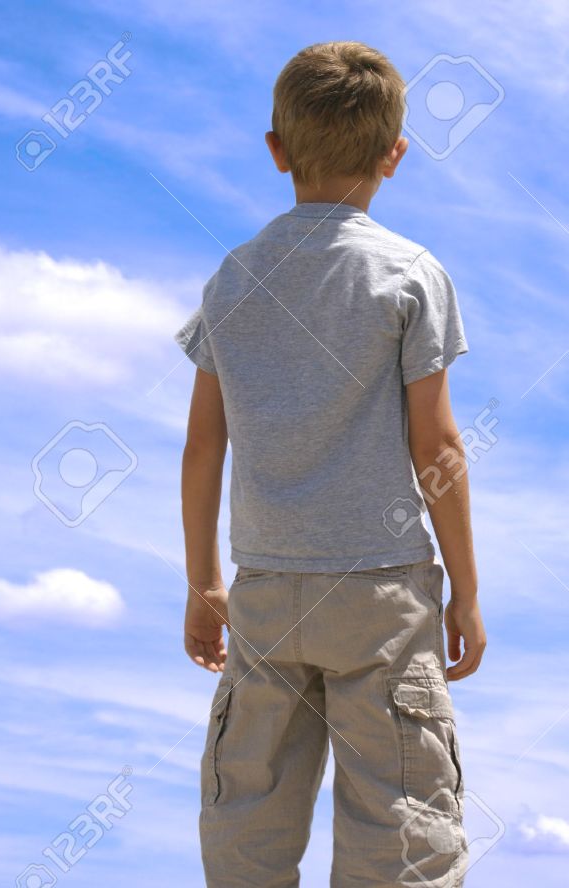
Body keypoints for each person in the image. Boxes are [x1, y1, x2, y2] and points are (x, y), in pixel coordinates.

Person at [174, 41, 486, 887]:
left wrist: (206, 582)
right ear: (395, 155)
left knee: (248, 815)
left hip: (267, 588)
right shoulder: (411, 275)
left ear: (276, 150)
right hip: (381, 595)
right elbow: (439, 450)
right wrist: (465, 586)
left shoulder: (232, 280)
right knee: (402, 819)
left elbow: (205, 445)